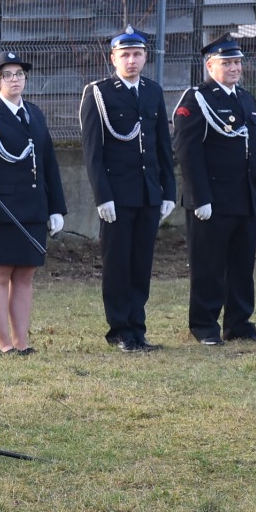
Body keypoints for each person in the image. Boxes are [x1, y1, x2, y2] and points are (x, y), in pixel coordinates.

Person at [79, 30, 178, 352]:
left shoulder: (152, 91)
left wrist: (168, 191)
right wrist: (102, 196)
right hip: (117, 195)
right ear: (113, 59)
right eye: (125, 55)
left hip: (148, 193)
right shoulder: (99, 94)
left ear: (146, 56)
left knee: (141, 264)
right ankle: (120, 330)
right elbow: (92, 152)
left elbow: (162, 145)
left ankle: (138, 328)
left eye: (137, 54)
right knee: (118, 264)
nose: (131, 60)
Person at [173, 37, 256, 344]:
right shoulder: (197, 99)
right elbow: (188, 152)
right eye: (227, 63)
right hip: (213, 200)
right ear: (210, 66)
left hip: (244, 197)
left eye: (237, 62)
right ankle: (204, 326)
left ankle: (238, 324)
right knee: (208, 265)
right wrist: (199, 197)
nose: (234, 68)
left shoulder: (245, 99)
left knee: (242, 265)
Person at [0, 51, 67, 355]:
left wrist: (56, 207)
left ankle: (22, 342)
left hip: (33, 207)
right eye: (7, 75)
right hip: (2, 209)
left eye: (20, 74)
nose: (15, 80)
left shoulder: (34, 113)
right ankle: (4, 344)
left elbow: (49, 163)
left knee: (25, 276)